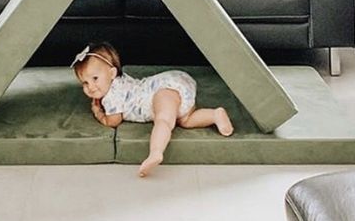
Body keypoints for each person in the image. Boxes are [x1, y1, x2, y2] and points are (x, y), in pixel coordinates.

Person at [71, 41, 234, 177]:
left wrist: (99, 113)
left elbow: (113, 121)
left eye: (95, 79)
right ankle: (215, 115)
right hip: (176, 83)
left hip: (160, 91)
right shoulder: (120, 80)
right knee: (185, 119)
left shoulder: (112, 96)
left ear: (112, 73)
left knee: (163, 120)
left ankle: (156, 152)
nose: (91, 87)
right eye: (85, 83)